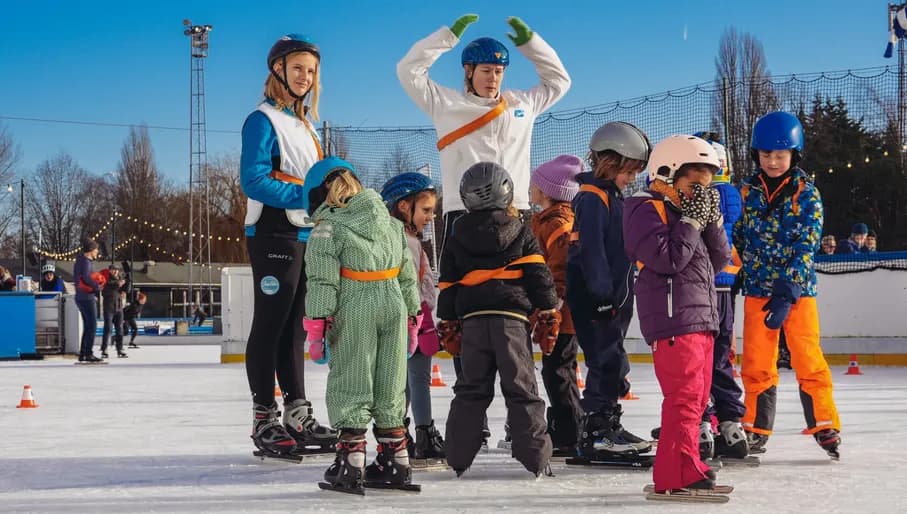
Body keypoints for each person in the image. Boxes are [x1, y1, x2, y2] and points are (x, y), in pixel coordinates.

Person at [240, 33, 337, 457]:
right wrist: (308, 196)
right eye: (297, 67)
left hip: (304, 234)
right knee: (270, 324)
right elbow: (254, 180)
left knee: (294, 329)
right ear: (278, 69)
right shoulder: (262, 120)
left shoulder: (306, 124)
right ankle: (264, 418)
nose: (305, 76)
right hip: (273, 233)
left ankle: (297, 413)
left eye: (311, 70)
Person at [301, 157, 421, 493]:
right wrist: (413, 317)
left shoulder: (327, 228)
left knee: (351, 378)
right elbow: (407, 275)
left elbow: (323, 280)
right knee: (390, 382)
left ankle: (350, 464)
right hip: (393, 305)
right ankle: (397, 463)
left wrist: (317, 325)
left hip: (356, 306)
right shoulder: (391, 224)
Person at [624, 134, 731, 494]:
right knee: (684, 398)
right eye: (693, 185)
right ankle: (675, 474)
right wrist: (690, 221)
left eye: (706, 187)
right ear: (666, 174)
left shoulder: (687, 214)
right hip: (673, 320)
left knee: (698, 399)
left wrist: (711, 220)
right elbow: (668, 260)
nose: (699, 194)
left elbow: (717, 261)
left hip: (701, 318)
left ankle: (688, 466)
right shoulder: (643, 208)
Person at [397, 12, 571, 233]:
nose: (493, 78)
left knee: (527, 268)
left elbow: (560, 81)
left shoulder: (522, 104)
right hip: (464, 210)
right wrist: (447, 37)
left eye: (499, 71)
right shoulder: (446, 105)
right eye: (486, 71)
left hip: (515, 209)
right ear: (469, 71)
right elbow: (408, 71)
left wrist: (531, 44)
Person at [439, 161, 559, 478]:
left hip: (474, 325)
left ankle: (457, 458)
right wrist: (548, 312)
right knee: (522, 390)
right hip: (512, 324)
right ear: (507, 194)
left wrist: (448, 322)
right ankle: (535, 459)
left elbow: (448, 285)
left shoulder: (455, 236)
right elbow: (539, 276)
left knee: (470, 390)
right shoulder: (521, 230)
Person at [734, 111, 841, 458]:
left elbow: (807, 243)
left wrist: (790, 287)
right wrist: (735, 271)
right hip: (757, 290)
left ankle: (824, 423)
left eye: (780, 155)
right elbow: (737, 237)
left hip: (796, 293)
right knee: (756, 362)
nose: (773, 161)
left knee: (807, 356)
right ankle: (755, 427)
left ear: (794, 155)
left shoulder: (806, 193)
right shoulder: (747, 191)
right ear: (756, 155)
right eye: (766, 154)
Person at [565, 121, 653, 463]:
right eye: (629, 171)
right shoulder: (592, 198)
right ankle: (598, 434)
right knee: (603, 363)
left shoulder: (611, 197)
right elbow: (591, 252)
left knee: (612, 361)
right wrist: (602, 296)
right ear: (610, 161)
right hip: (597, 300)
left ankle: (607, 426)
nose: (631, 179)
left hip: (614, 300)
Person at [380, 172, 446, 465]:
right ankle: (425, 436)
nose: (430, 217)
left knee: (405, 383)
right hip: (413, 319)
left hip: (412, 317)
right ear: (404, 207)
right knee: (417, 379)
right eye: (426, 210)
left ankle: (400, 431)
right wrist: (423, 309)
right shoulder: (403, 241)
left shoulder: (403, 239)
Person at [692, 134, 749, 461]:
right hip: (725, 286)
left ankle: (701, 422)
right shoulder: (731, 196)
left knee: (697, 357)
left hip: (700, 285)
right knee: (721, 355)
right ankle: (730, 421)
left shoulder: (702, 196)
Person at [527, 154, 584, 456]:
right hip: (554, 311)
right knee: (556, 370)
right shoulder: (546, 221)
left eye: (536, 184)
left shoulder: (559, 224)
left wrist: (553, 307)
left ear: (549, 191)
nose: (531, 188)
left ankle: (571, 432)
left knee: (558, 371)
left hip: (562, 314)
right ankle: (567, 426)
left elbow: (560, 270)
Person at [73, 239, 103, 363]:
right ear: (90, 250)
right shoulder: (85, 262)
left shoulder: (80, 261)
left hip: (80, 296)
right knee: (92, 325)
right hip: (86, 297)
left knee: (88, 325)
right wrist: (96, 286)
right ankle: (87, 353)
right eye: (96, 249)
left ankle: (84, 353)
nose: (97, 251)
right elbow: (86, 277)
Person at [100, 263, 129, 358]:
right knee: (108, 329)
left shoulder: (120, 280)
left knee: (119, 330)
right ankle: (104, 349)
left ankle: (119, 349)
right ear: (110, 271)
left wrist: (128, 277)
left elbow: (126, 289)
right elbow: (107, 291)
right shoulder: (106, 280)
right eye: (113, 270)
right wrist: (118, 284)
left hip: (119, 308)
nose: (115, 271)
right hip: (109, 308)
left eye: (117, 270)